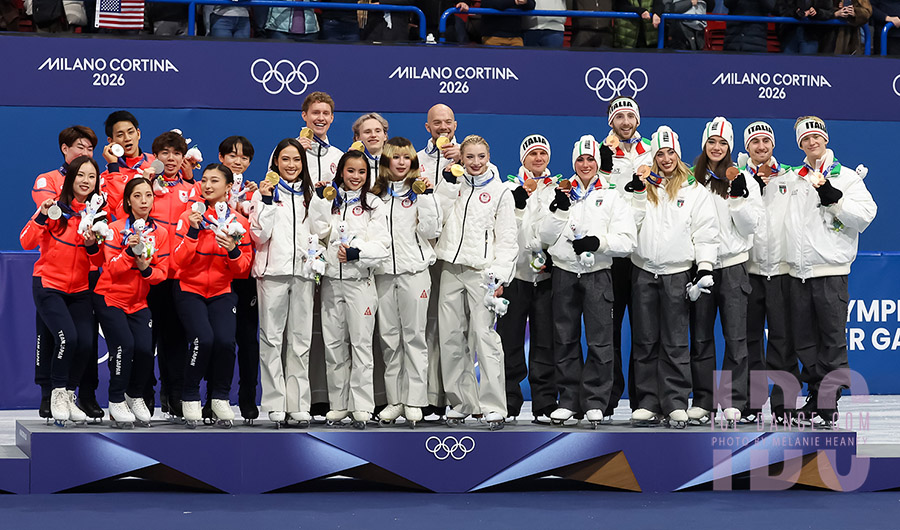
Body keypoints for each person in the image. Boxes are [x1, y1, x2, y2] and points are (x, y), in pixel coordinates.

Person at [539, 136, 637, 427]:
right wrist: (558, 210)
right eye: (580, 160)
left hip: (598, 275)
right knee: (565, 338)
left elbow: (628, 241)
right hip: (564, 273)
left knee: (600, 340)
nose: (585, 165)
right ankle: (569, 400)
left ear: (597, 163)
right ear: (573, 163)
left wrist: (599, 242)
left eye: (590, 159)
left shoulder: (611, 195)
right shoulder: (560, 192)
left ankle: (595, 401)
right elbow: (544, 237)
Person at [625, 126, 718, 429]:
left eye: (671, 153)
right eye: (660, 154)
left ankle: (676, 401)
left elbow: (705, 231)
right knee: (645, 340)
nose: (665, 158)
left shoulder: (695, 191)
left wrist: (704, 266)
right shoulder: (642, 188)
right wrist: (638, 190)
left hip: (678, 273)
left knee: (676, 341)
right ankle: (649, 402)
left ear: (678, 155)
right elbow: (630, 224)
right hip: (643, 270)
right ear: (653, 157)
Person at [786, 116, 876, 427]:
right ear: (800, 144)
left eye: (816, 137)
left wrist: (835, 201)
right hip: (798, 272)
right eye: (805, 139)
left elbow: (866, 215)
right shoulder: (794, 179)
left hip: (831, 269)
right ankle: (816, 397)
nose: (812, 142)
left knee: (832, 339)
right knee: (804, 340)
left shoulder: (848, 178)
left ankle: (828, 403)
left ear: (825, 139)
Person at [434, 135, 517, 429]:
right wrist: (446, 187)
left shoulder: (501, 192)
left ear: (489, 155)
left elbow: (507, 240)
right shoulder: (451, 185)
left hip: (482, 274)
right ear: (461, 159)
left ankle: (494, 406)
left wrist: (499, 275)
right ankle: (462, 402)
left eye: (481, 156)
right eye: (470, 157)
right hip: (450, 269)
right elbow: (435, 219)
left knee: (485, 338)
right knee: (451, 338)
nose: (476, 163)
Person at [21, 155, 107, 425]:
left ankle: (69, 394)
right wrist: (42, 216)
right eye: (80, 175)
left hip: (80, 289)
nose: (86, 181)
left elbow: (98, 262)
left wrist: (93, 243)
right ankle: (58, 393)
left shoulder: (99, 216)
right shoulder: (55, 208)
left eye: (91, 176)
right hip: (49, 285)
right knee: (67, 338)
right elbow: (25, 242)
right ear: (70, 178)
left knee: (85, 342)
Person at [251, 139, 331, 427]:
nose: (291, 165)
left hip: (303, 274)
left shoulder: (310, 194)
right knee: (272, 340)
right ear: (275, 163)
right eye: (285, 159)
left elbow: (322, 230)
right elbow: (259, 235)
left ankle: (298, 404)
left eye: (296, 160)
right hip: (272, 273)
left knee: (300, 341)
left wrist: (321, 200)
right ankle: (274, 403)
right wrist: (268, 201)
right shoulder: (263, 194)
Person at [687, 117, 760, 427]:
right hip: (699, 268)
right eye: (712, 142)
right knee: (701, 338)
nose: (717, 148)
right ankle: (703, 400)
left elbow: (750, 226)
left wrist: (738, 198)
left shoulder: (743, 178)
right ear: (704, 145)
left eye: (723, 143)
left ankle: (733, 401)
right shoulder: (690, 179)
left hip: (732, 267)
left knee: (735, 338)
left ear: (730, 147)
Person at [173, 163, 252, 428]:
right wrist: (194, 232)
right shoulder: (189, 217)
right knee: (202, 340)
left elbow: (242, 271)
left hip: (222, 291)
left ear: (229, 187)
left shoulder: (239, 223)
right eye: (204, 180)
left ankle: (219, 396)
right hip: (189, 289)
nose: (207, 185)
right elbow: (178, 261)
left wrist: (233, 250)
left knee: (226, 342)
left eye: (214, 181)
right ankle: (191, 396)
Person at [316, 150, 390, 429]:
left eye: (361, 172)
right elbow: (317, 231)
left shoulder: (373, 203)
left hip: (361, 283)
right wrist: (323, 203)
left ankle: (362, 406)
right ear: (341, 172)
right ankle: (338, 405)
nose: (356, 177)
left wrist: (357, 253)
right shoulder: (330, 200)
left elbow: (383, 245)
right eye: (350, 171)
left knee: (361, 346)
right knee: (334, 346)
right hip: (332, 282)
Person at [371, 137, 442, 427]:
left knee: (414, 337)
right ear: (386, 161)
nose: (401, 163)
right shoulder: (375, 194)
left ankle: (415, 401)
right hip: (383, 273)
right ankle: (394, 400)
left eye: (406, 158)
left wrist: (425, 196)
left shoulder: (421, 192)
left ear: (413, 162)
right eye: (395, 157)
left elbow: (432, 229)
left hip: (414, 272)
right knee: (389, 340)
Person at [93, 177, 169, 427]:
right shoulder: (115, 229)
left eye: (148, 195)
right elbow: (112, 269)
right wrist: (128, 252)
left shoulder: (161, 233)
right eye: (137, 196)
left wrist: (146, 270)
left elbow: (162, 273)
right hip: (109, 296)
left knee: (145, 350)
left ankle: (134, 395)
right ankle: (115, 399)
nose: (144, 200)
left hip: (138, 302)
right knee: (123, 346)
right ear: (128, 200)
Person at [497, 134, 558, 424]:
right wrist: (519, 204)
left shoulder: (557, 187)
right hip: (516, 276)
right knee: (509, 341)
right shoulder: (507, 188)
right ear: (523, 158)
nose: (538, 158)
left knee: (546, 341)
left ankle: (545, 403)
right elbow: (503, 231)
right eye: (532, 154)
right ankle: (508, 401)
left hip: (546, 277)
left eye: (542, 153)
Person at [739, 121, 796, 424]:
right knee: (749, 341)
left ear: (773, 144)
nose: (761, 146)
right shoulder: (736, 178)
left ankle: (784, 405)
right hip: (749, 270)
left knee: (783, 340)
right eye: (755, 142)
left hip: (782, 270)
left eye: (766, 141)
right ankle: (750, 404)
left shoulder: (791, 176)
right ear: (746, 147)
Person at [138, 131, 196, 422]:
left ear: (183, 158)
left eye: (176, 153)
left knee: (175, 341)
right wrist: (146, 182)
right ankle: (143, 396)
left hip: (180, 276)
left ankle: (173, 395)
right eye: (165, 153)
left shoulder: (192, 189)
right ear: (156, 157)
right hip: (150, 275)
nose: (171, 158)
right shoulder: (145, 188)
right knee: (146, 340)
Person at [605, 96, 652, 419]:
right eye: (619, 116)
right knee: (606, 332)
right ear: (611, 121)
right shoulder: (597, 151)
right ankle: (605, 398)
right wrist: (606, 164)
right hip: (611, 254)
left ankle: (644, 401)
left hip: (644, 251)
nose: (625, 122)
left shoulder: (654, 151)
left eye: (629, 116)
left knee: (645, 331)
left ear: (637, 120)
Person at [416, 103, 462, 420]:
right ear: (427, 127)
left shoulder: (471, 159)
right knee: (422, 328)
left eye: (447, 122)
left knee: (451, 329)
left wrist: (460, 164)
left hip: (454, 256)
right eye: (436, 123)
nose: (442, 127)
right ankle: (426, 396)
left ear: (455, 125)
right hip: (420, 254)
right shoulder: (416, 161)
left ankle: (451, 396)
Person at [217, 136, 261, 423]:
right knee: (219, 340)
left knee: (247, 340)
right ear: (221, 158)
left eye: (244, 157)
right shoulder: (208, 188)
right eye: (232, 155)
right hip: (217, 275)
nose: (238, 161)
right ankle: (214, 398)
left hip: (245, 275)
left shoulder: (254, 192)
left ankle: (246, 398)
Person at [100, 111, 155, 220]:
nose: (127, 138)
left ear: (138, 134)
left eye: (130, 132)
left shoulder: (156, 164)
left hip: (158, 234)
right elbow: (118, 210)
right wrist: (113, 167)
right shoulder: (107, 177)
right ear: (111, 141)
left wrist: (189, 178)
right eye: (120, 135)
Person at [295, 92, 344, 183]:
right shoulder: (288, 150)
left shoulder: (339, 157)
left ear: (331, 118)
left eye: (325, 113)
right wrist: (297, 154)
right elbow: (274, 183)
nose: (321, 118)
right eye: (315, 113)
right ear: (304, 115)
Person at [458, 0, 536, 46]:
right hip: (493, 36)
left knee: (517, 67)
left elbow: (532, 4)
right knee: (495, 68)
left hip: (516, 36)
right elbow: (489, 3)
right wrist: (514, 2)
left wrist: (525, 2)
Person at [350, 113, 389, 184]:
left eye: (378, 131)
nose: (373, 135)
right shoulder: (348, 163)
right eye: (367, 132)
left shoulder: (395, 164)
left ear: (385, 136)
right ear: (357, 137)